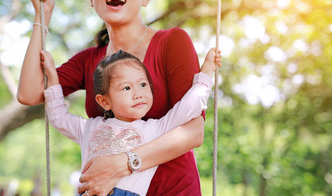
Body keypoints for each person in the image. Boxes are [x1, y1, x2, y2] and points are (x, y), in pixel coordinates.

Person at [17, 0, 222, 195]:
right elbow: (29, 93)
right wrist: (42, 17)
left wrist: (123, 163)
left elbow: (193, 131)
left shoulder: (171, 42)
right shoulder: (88, 60)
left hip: (173, 189)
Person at [41, 48, 219, 196]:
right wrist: (52, 75)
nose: (138, 93)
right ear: (105, 102)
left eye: (143, 84)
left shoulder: (156, 129)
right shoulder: (89, 127)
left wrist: (207, 70)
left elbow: (190, 106)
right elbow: (58, 117)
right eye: (127, 87)